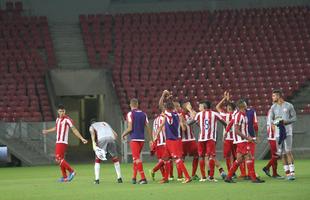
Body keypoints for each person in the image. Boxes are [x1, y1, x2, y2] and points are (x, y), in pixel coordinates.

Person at [42, 104, 88, 182]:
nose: (62, 113)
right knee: (61, 159)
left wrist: (81, 138)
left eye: (63, 111)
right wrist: (47, 131)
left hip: (62, 141)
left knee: (58, 159)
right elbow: (56, 128)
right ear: (58, 111)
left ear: (65, 111)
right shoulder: (57, 119)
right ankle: (65, 177)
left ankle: (72, 171)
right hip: (58, 141)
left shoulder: (67, 119)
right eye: (60, 111)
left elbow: (74, 129)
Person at [155, 90, 191, 184]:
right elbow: (171, 105)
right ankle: (166, 178)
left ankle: (187, 177)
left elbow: (160, 104)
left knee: (177, 159)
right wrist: (169, 98)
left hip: (172, 140)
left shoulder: (168, 114)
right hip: (171, 139)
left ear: (167, 108)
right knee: (166, 159)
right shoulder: (176, 114)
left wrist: (163, 95)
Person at [225, 100, 264, 183]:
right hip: (241, 141)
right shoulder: (239, 116)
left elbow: (244, 130)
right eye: (245, 104)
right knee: (249, 156)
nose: (247, 105)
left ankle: (228, 177)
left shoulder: (244, 115)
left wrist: (251, 138)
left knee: (239, 159)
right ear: (242, 106)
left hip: (243, 140)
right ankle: (253, 178)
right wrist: (247, 138)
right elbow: (236, 130)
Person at [187, 101, 227, 182]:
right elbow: (224, 123)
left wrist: (190, 117)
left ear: (204, 107)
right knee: (211, 156)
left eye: (200, 106)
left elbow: (190, 123)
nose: (199, 107)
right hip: (211, 138)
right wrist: (227, 131)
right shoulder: (215, 114)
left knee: (202, 157)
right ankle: (211, 176)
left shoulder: (199, 114)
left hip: (201, 138)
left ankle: (203, 177)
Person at [122, 98, 152, 184]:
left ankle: (143, 178)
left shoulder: (130, 114)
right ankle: (134, 178)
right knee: (135, 159)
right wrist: (151, 139)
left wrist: (123, 134)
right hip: (142, 140)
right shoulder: (144, 114)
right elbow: (148, 127)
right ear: (137, 105)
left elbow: (130, 128)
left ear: (130, 105)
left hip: (134, 139)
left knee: (136, 158)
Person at [268, 89, 297, 180]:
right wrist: (277, 122)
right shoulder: (273, 107)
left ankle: (292, 173)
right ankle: (287, 173)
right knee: (282, 153)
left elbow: (294, 118)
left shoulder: (289, 105)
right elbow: (271, 120)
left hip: (288, 132)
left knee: (288, 151)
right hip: (278, 134)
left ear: (278, 96)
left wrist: (286, 121)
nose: (272, 98)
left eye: (273, 96)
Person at [89, 119, 123, 184]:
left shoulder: (92, 126)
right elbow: (115, 135)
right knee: (115, 158)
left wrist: (94, 144)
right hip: (111, 138)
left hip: (102, 139)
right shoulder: (105, 123)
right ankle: (119, 178)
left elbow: (93, 136)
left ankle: (97, 180)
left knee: (98, 159)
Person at [216, 91, 237, 173]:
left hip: (228, 138)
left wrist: (224, 99)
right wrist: (228, 100)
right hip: (235, 138)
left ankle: (230, 171)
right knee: (235, 156)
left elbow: (217, 107)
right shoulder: (236, 114)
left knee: (228, 156)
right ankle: (233, 171)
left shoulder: (224, 115)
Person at [262, 108, 283, 178]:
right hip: (273, 136)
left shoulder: (272, 110)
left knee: (275, 155)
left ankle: (274, 172)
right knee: (276, 155)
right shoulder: (274, 110)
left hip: (272, 136)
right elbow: (273, 124)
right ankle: (267, 168)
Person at [149, 109, 167, 181]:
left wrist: (154, 141)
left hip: (157, 142)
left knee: (161, 160)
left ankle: (164, 176)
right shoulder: (164, 119)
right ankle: (153, 170)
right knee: (167, 159)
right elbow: (164, 130)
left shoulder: (155, 120)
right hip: (164, 142)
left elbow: (154, 131)